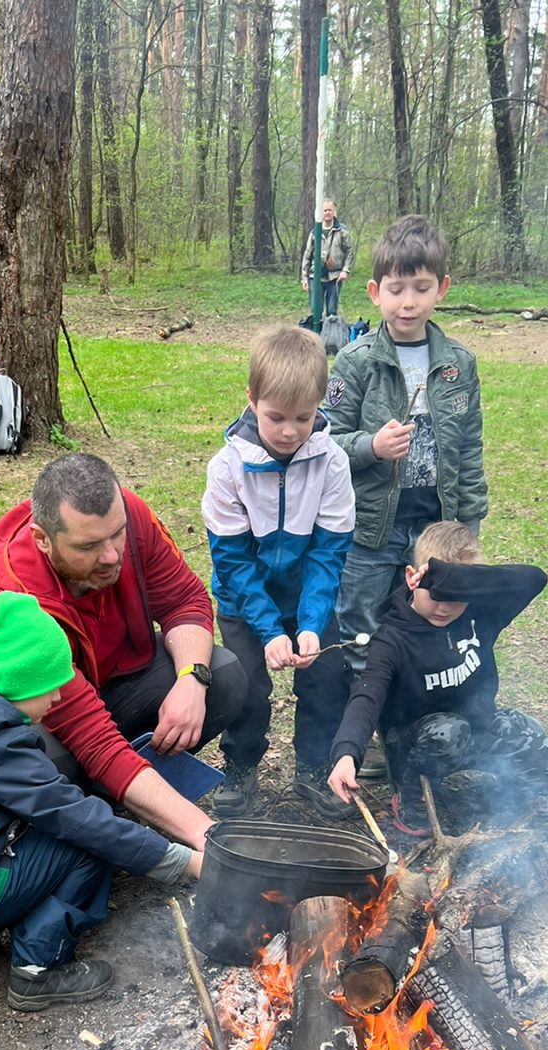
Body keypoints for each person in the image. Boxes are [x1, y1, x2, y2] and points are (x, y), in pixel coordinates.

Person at [0, 592, 202, 1011]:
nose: (57, 699)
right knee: (87, 846)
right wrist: (180, 860)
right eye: (50, 687)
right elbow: (83, 822)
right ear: (20, 683)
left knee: (20, 830)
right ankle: (37, 969)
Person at [0, 454, 247, 851]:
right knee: (50, 759)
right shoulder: (17, 596)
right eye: (88, 546)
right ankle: (59, 833)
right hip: (16, 728)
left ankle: (120, 802)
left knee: (220, 673)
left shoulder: (127, 518)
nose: (112, 555)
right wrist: (211, 840)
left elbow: (184, 601)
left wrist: (193, 678)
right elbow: (92, 739)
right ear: (42, 539)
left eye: (116, 535)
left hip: (97, 683)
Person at [325, 520, 548, 833]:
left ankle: (503, 796)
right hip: (417, 745)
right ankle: (412, 795)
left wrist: (466, 580)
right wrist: (347, 754)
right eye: (436, 595)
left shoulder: (480, 614)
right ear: (411, 578)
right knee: (448, 731)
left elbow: (535, 579)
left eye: (456, 596)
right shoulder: (392, 639)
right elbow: (366, 696)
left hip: (478, 729)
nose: (445, 608)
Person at [201, 324, 356, 818]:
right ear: (251, 399)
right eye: (275, 418)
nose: (290, 431)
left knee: (328, 677)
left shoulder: (332, 463)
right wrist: (268, 629)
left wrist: (310, 624)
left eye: (303, 417)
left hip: (307, 596)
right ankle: (242, 769)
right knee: (245, 683)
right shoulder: (226, 468)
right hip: (245, 603)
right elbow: (233, 560)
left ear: (318, 406)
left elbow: (328, 554)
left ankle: (314, 768)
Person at [324, 215, 488, 669]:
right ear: (376, 293)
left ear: (442, 288)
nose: (408, 302)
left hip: (436, 522)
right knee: (362, 620)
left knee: (431, 616)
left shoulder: (459, 364)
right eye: (396, 289)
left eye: (421, 287)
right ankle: (365, 707)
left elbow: (469, 449)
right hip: (372, 526)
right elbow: (323, 441)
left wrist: (468, 524)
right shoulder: (355, 364)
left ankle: (413, 710)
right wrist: (370, 447)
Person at [300, 199, 354, 319]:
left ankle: (330, 335)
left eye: (330, 210)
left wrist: (345, 270)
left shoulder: (342, 231)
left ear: (334, 211)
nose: (327, 213)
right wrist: (304, 277)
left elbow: (350, 251)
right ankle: (316, 335)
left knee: (332, 311)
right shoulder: (315, 232)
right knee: (315, 311)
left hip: (335, 276)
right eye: (325, 210)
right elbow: (307, 256)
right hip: (315, 276)